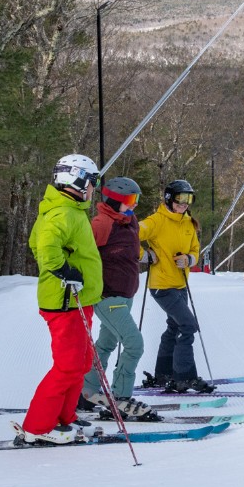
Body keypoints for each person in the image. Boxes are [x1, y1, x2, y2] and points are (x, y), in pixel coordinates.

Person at [21, 154, 104, 444]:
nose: (94, 188)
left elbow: (34, 243)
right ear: (77, 181)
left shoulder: (70, 210)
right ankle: (37, 427)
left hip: (80, 299)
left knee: (81, 363)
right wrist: (64, 270)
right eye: (92, 182)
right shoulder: (62, 213)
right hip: (65, 301)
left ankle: (65, 417)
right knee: (68, 365)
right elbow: (44, 247)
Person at [79, 176, 157, 422]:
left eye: (137, 199)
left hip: (125, 295)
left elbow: (128, 249)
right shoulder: (101, 223)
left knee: (105, 344)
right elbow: (81, 252)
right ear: (113, 200)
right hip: (107, 295)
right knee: (134, 344)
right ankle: (121, 398)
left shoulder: (129, 221)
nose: (135, 204)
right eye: (130, 200)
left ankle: (86, 392)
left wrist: (145, 255)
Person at [138, 178, 214, 393]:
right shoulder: (156, 221)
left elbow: (195, 250)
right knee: (188, 326)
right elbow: (130, 234)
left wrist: (189, 259)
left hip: (180, 285)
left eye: (189, 199)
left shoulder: (189, 223)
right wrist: (144, 255)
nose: (184, 203)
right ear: (169, 198)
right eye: (180, 198)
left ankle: (164, 375)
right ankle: (184, 377)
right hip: (162, 286)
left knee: (174, 326)